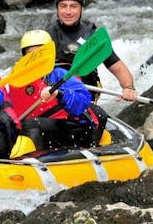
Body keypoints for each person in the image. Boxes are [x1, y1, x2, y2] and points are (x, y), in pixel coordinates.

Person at [8, 30, 107, 158]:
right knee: (24, 126)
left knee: (32, 125)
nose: (36, 59)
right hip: (37, 130)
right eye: (31, 55)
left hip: (70, 128)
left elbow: (83, 102)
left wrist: (59, 94)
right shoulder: (17, 79)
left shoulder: (60, 75)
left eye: (40, 54)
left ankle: (29, 161)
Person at [48, 0, 137, 102]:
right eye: (63, 6)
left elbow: (118, 67)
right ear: (57, 9)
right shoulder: (46, 36)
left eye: (73, 6)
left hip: (83, 102)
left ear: (81, 9)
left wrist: (129, 87)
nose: (68, 12)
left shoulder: (93, 37)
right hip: (52, 99)